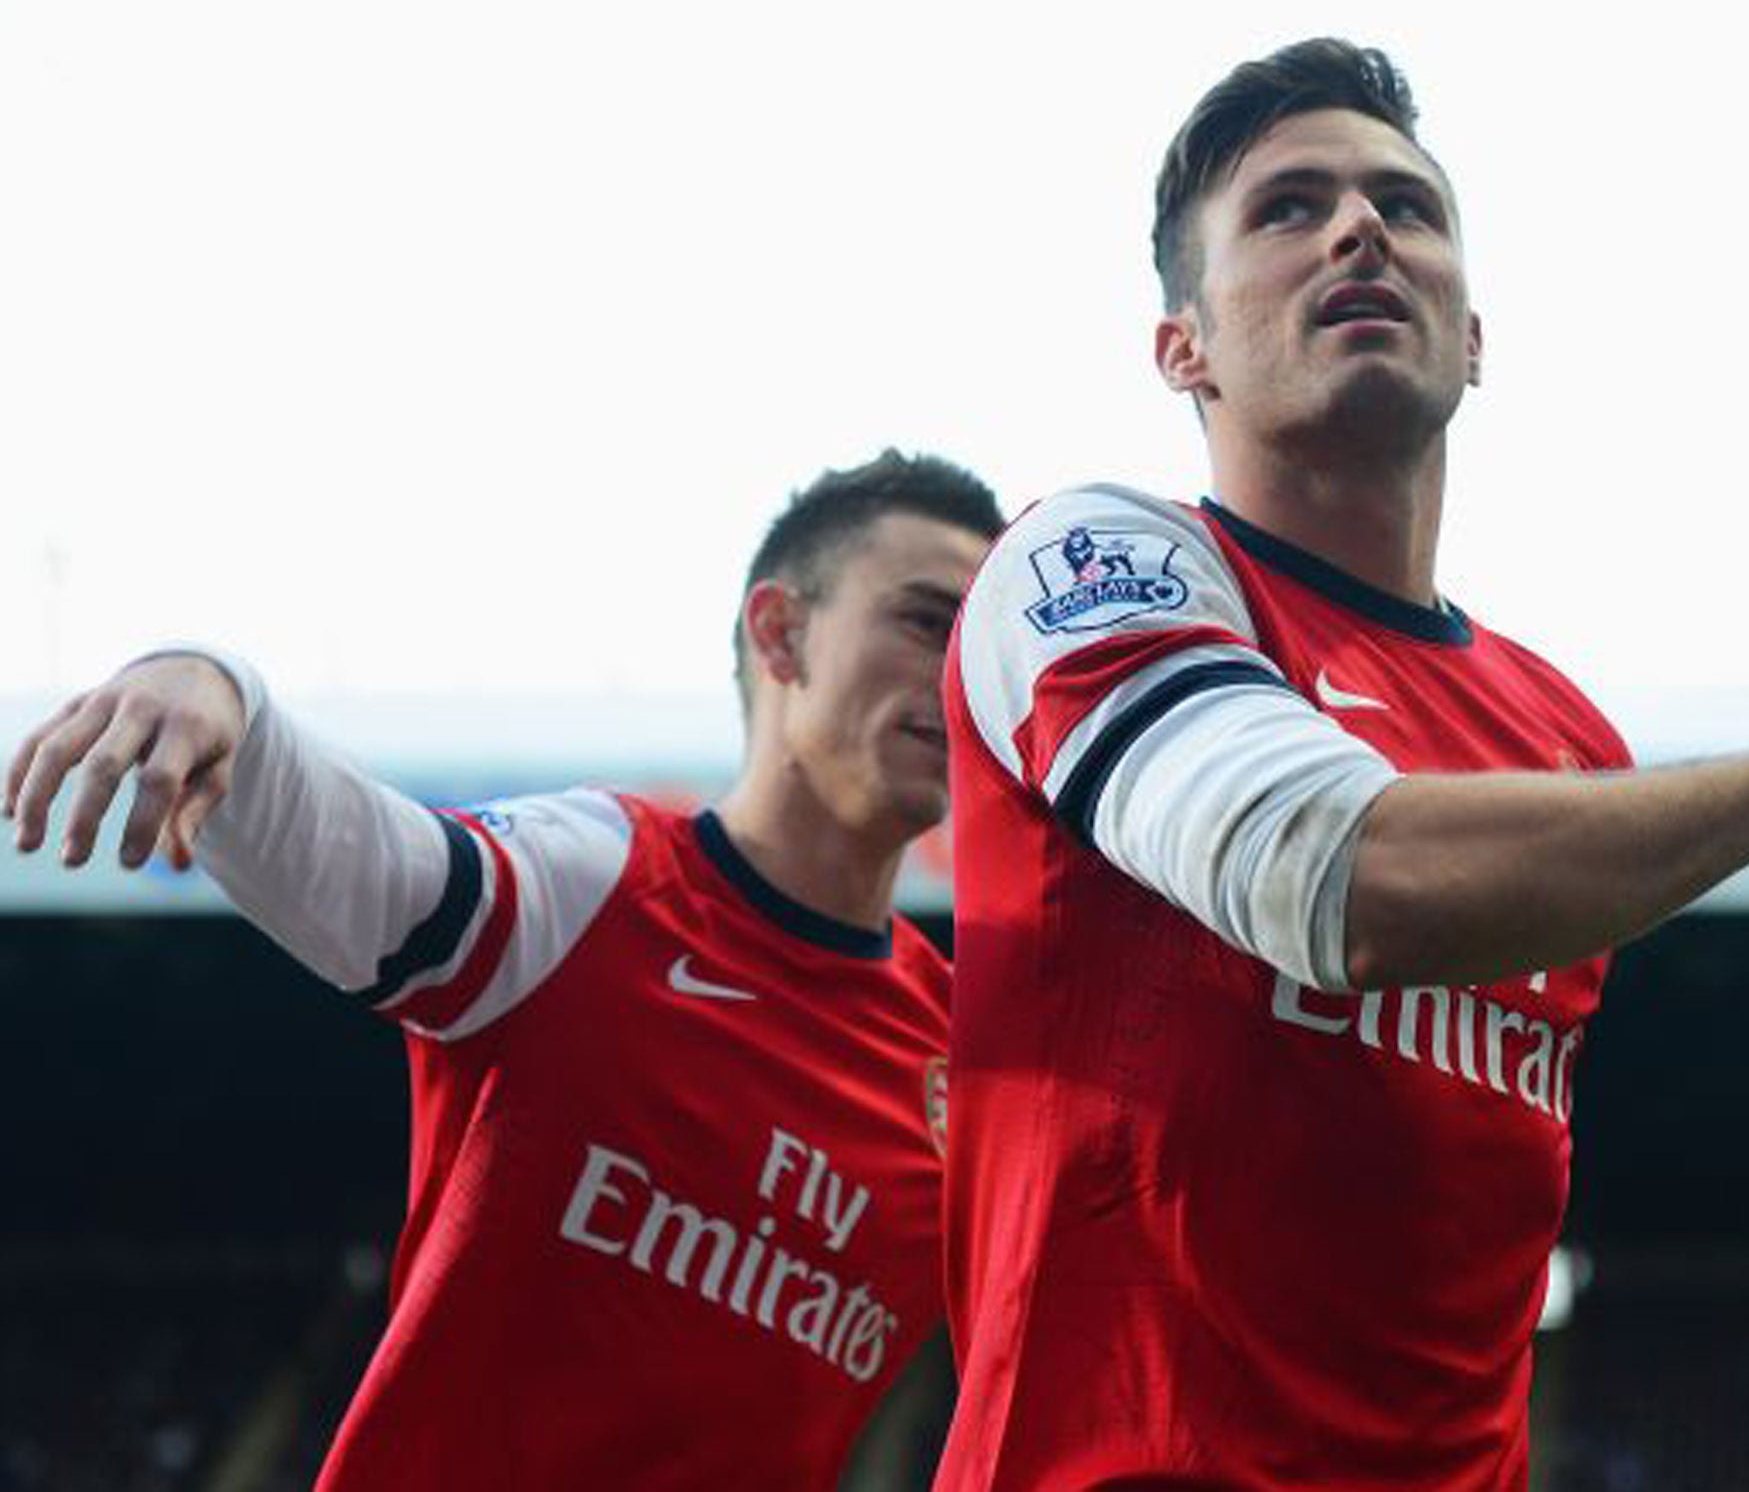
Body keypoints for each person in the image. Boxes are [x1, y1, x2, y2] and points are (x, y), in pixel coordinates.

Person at [937, 40, 1749, 1490]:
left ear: (1471, 338)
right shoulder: (1098, 562)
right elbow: (1326, 876)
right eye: (1287, 209)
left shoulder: (1564, 737)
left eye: (1407, 205)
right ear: (1181, 348)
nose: (1360, 230)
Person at [7, 450, 1005, 1491]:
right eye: (924, 623)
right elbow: (371, 862)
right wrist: (212, 683)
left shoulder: (966, 1064)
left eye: (978, 649)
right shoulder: (595, 883)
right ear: (781, 632)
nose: (957, 677)